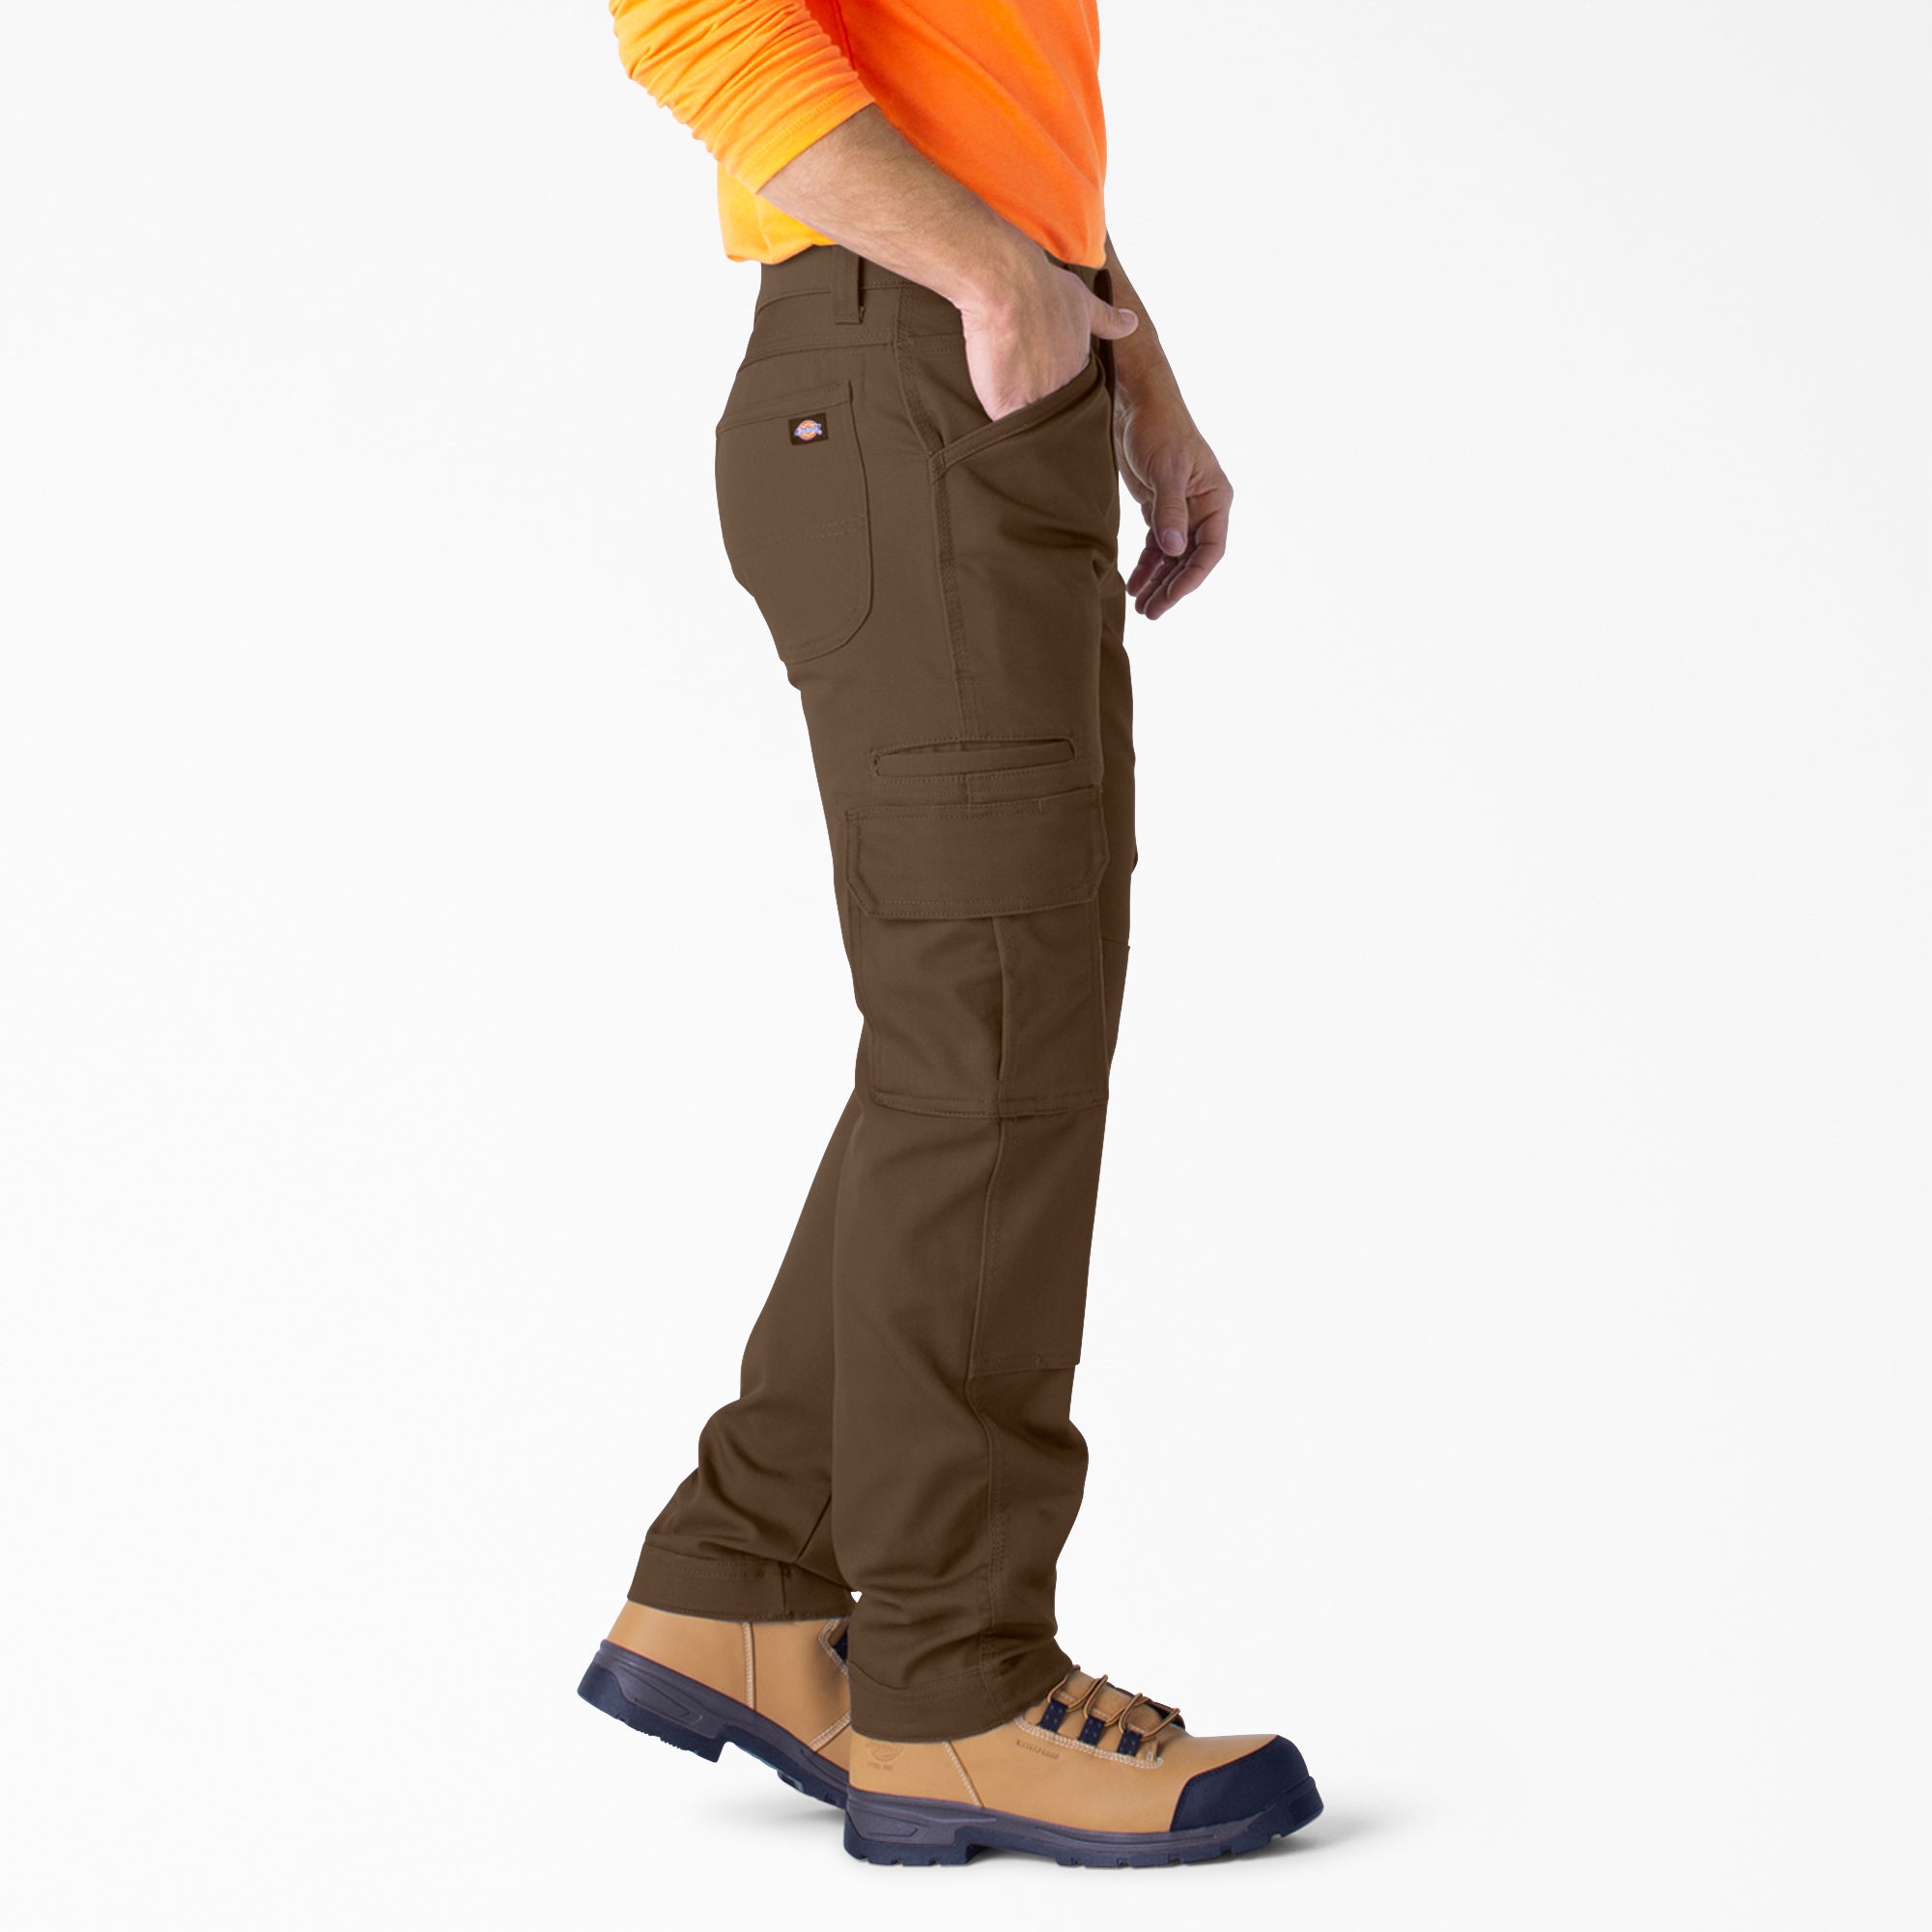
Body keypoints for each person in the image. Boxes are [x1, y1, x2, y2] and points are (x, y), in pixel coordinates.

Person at [578, 0, 1321, 1867]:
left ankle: (746, 1575)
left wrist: (1127, 364)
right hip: (911, 365)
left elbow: (980, 101)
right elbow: (689, 20)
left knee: (991, 1028)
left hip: (972, 370)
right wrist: (994, 281)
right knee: (986, 1031)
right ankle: (954, 1683)